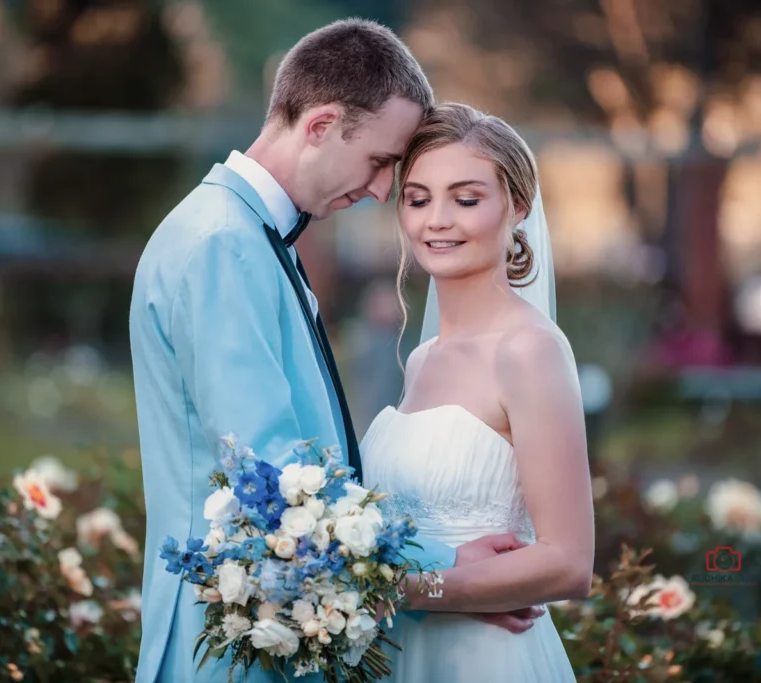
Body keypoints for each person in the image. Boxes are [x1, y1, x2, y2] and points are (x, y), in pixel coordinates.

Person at [128, 21, 543, 683]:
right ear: (320, 125)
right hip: (227, 654)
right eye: (381, 161)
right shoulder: (221, 247)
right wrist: (444, 569)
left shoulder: (250, 239)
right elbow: (274, 476)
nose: (383, 191)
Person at [361, 102, 595, 681]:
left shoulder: (530, 351)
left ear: (517, 206)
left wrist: (407, 592)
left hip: (483, 661)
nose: (436, 220)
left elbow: (568, 563)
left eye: (466, 199)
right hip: (395, 655)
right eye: (417, 199)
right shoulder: (419, 361)